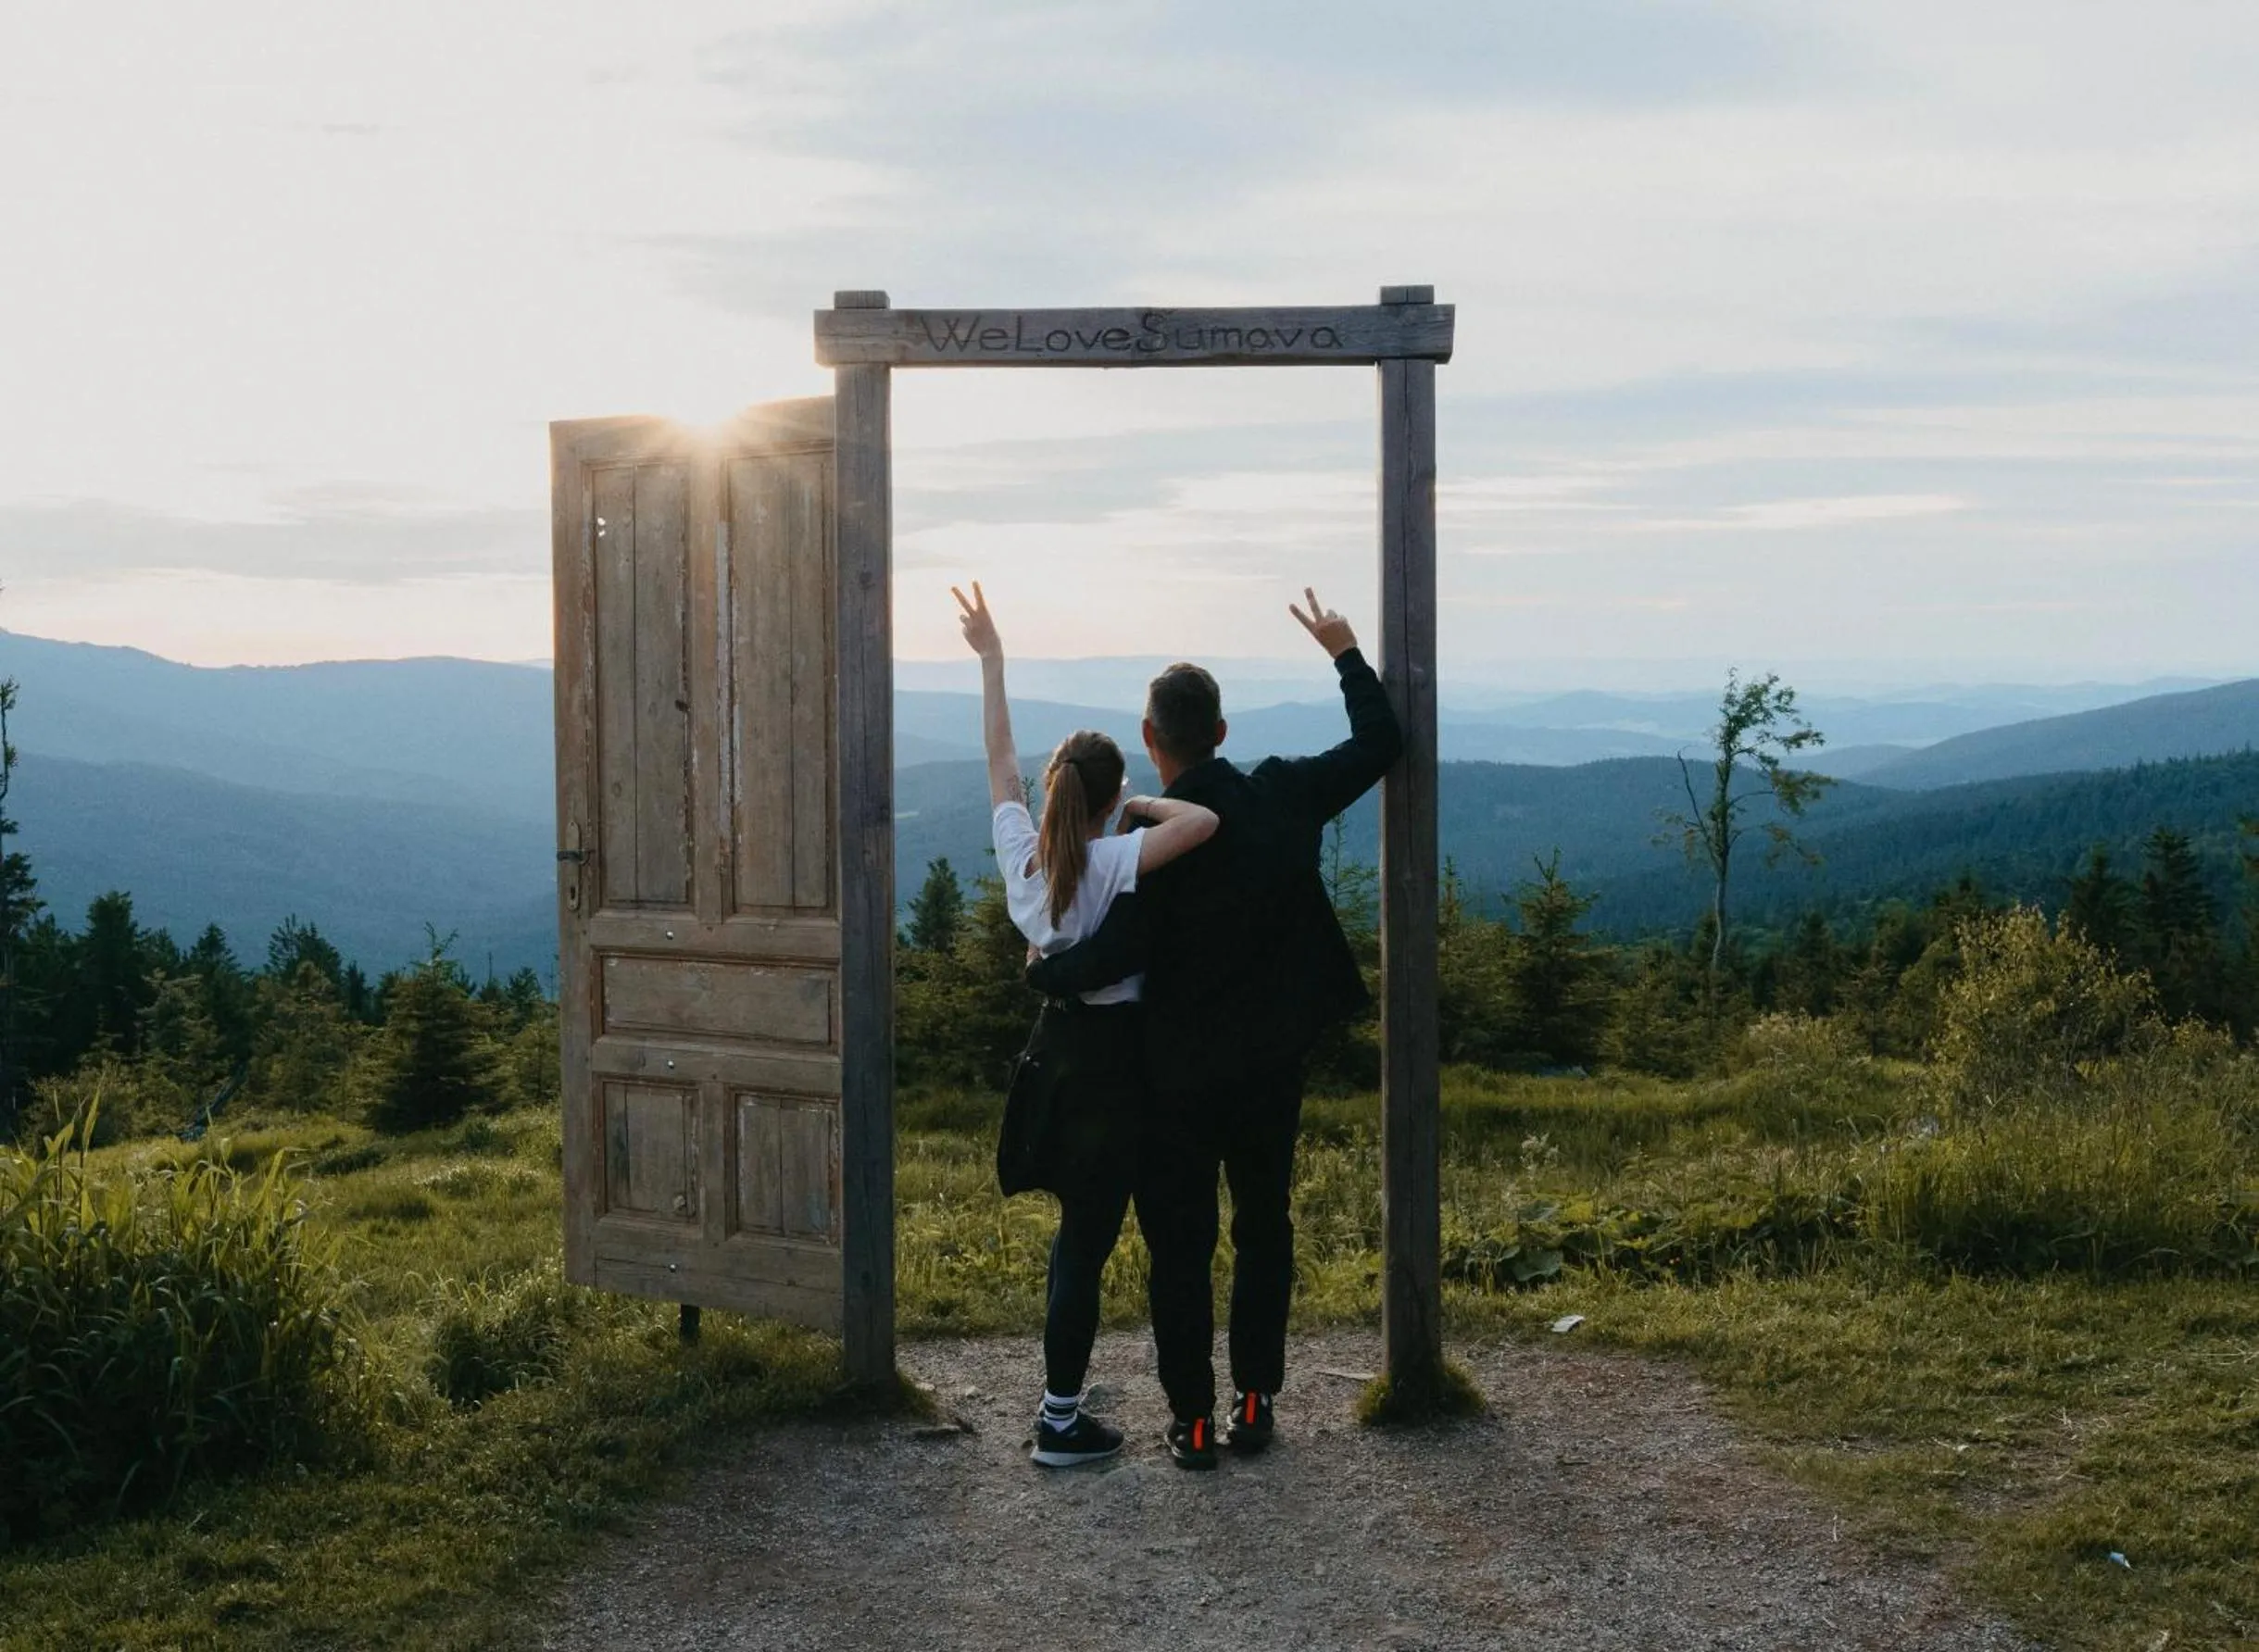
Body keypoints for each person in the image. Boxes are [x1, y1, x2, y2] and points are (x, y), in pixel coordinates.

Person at [1027, 588, 1400, 1470]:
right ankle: (1255, 1401)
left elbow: (1115, 954)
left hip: (1176, 1078)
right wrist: (1344, 651)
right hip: (1274, 1065)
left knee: (1181, 1244)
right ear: (1223, 733)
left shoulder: (1145, 846)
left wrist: (1047, 973)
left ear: (1151, 743)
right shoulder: (1282, 793)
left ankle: (1192, 1421)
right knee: (1264, 1224)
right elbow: (1380, 744)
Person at [953, 582, 1220, 1469]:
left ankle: (1062, 1406)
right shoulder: (1114, 860)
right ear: (1109, 801)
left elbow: (997, 756)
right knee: (1121, 1239)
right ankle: (1070, 1422)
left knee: (1078, 1243)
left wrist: (992, 659)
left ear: (1051, 790)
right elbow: (1206, 818)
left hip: (1057, 1063)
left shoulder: (1024, 861)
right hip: (1119, 1067)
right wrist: (1144, 807)